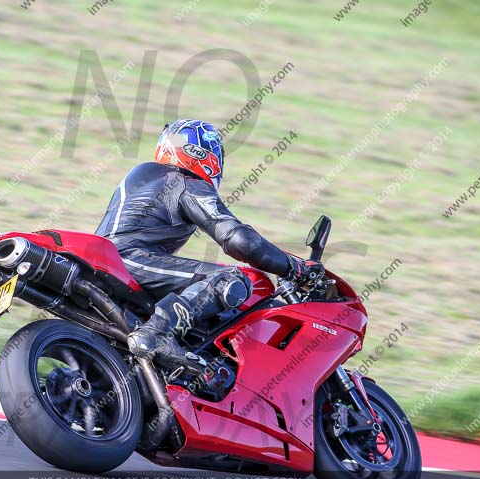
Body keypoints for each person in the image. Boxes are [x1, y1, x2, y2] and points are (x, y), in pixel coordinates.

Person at [95, 119, 324, 368]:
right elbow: (239, 240)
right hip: (129, 259)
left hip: (116, 260)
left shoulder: (147, 176)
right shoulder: (183, 181)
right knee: (232, 280)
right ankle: (158, 334)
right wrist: (295, 267)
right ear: (203, 152)